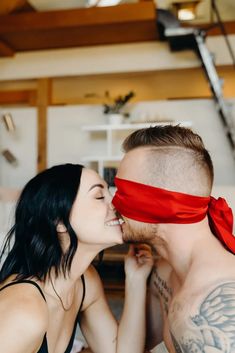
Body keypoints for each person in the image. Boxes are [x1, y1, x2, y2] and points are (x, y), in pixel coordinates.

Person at [0, 163, 153, 353]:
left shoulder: (84, 282)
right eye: (99, 196)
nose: (116, 204)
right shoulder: (23, 311)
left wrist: (136, 280)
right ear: (59, 222)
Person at [112, 125, 235, 353]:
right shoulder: (165, 271)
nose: (113, 205)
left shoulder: (217, 305)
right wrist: (136, 281)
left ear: (163, 204)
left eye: (123, 193)